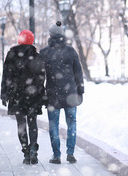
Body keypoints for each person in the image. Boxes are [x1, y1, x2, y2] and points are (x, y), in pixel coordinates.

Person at [40, 21, 84, 164]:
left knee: (54, 125)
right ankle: (70, 153)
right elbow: (78, 72)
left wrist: (41, 94)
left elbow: (40, 76)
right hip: (70, 94)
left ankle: (57, 155)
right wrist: (80, 90)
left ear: (50, 35)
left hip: (53, 95)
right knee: (72, 123)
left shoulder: (45, 53)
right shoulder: (71, 51)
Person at [0, 30, 46, 165]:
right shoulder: (37, 57)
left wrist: (4, 94)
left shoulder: (12, 55)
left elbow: (6, 76)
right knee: (33, 123)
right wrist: (40, 93)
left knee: (21, 124)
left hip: (16, 95)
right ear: (32, 41)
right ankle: (33, 150)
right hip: (33, 95)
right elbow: (41, 78)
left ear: (19, 40)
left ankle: (26, 152)